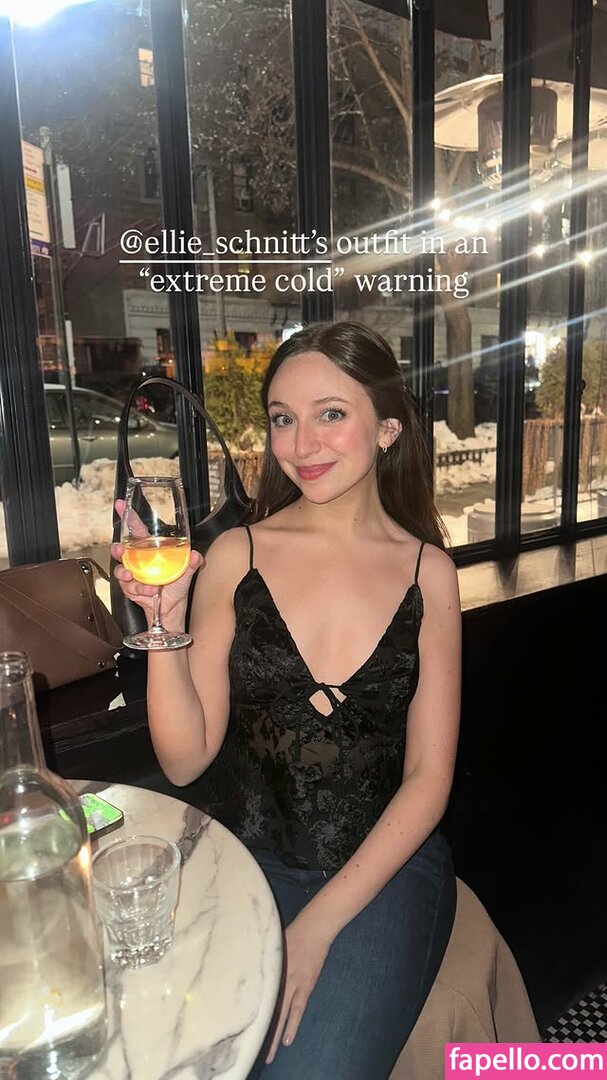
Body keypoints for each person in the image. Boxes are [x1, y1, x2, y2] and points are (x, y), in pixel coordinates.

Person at [112, 321, 461, 1080]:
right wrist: (164, 624)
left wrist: (316, 926)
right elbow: (184, 761)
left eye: (330, 413)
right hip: (244, 860)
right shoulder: (237, 554)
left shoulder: (428, 573)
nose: (301, 444)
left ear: (388, 427)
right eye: (282, 418)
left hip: (382, 871)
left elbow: (429, 779)